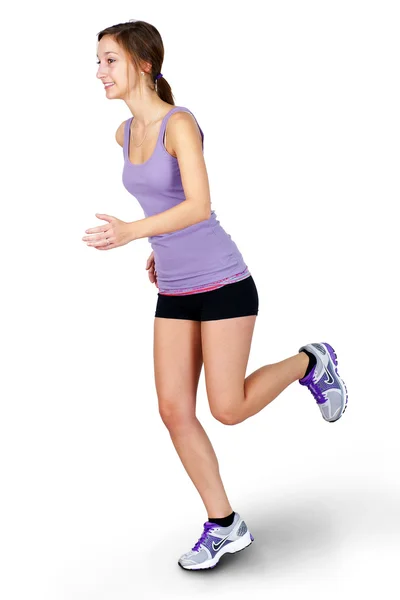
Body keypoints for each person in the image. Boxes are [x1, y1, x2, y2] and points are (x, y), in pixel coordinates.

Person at [83, 19, 349, 571]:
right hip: (176, 287)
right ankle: (224, 524)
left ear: (144, 64)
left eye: (110, 60)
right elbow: (168, 208)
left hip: (225, 282)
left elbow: (200, 205)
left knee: (227, 408)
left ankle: (310, 361)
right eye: (98, 60)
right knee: (174, 409)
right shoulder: (122, 134)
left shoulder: (179, 124)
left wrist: (133, 233)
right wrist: (160, 247)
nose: (99, 71)